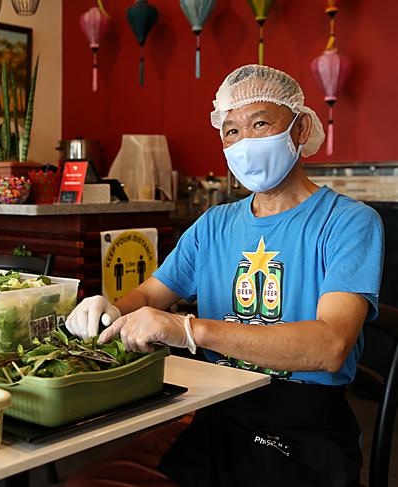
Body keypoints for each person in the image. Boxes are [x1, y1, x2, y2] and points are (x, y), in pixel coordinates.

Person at [65, 64, 384, 487]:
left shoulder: (347, 222)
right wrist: (108, 308)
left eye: (261, 123)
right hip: (216, 413)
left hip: (303, 427)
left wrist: (191, 330)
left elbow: (330, 346)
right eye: (231, 131)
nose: (245, 143)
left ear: (301, 129)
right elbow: (151, 294)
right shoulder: (214, 225)